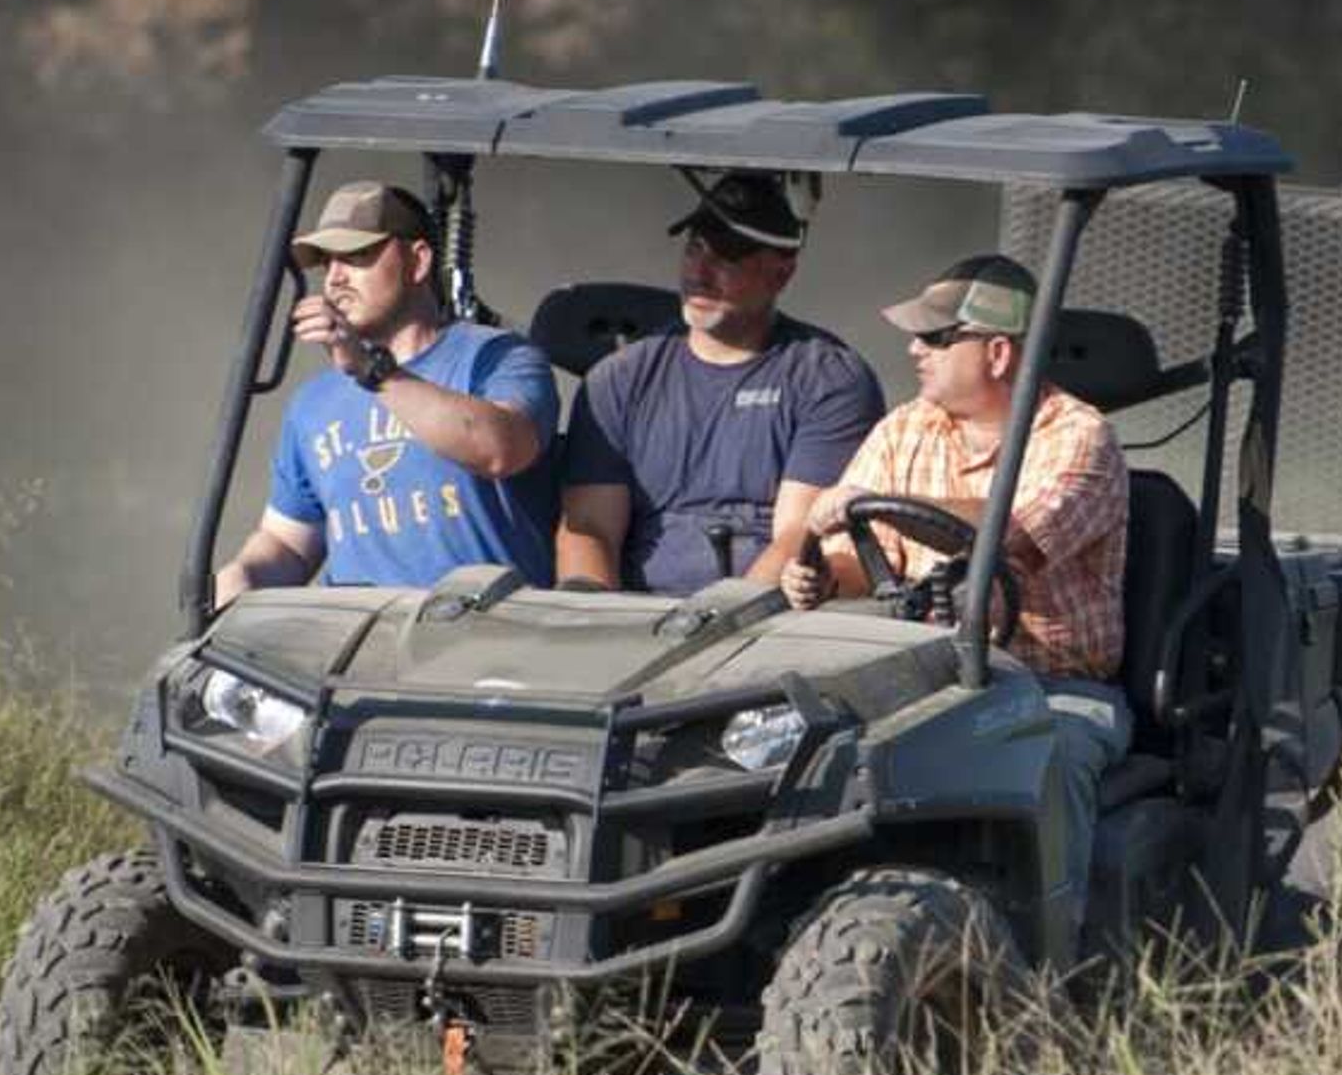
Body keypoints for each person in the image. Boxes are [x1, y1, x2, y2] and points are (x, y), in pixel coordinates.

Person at [784, 253, 1130, 898]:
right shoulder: (906, 426)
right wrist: (826, 577)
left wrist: (869, 501)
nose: (916, 350)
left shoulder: (1080, 437)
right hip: (921, 677)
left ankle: (1055, 960)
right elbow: (867, 553)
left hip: (1049, 685)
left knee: (1056, 757)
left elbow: (1015, 537)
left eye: (938, 338)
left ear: (998, 354)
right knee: (802, 745)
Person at [212, 179, 563, 602]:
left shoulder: (499, 358)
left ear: (417, 263)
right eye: (327, 261)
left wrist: (371, 371)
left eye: (357, 255)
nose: (336, 278)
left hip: (486, 637)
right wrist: (242, 578)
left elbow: (500, 449)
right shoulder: (312, 403)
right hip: (354, 645)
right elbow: (289, 543)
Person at [553, 171, 881, 594]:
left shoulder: (831, 379)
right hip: (634, 623)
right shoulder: (616, 379)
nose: (700, 272)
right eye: (695, 248)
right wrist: (593, 622)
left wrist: (724, 621)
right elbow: (588, 527)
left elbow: (800, 534)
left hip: (763, 628)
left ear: (782, 274)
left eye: (727, 256)